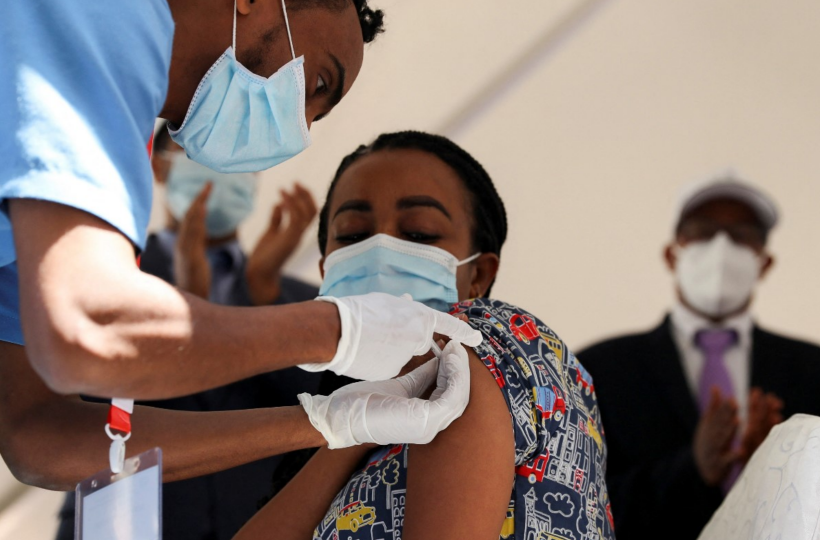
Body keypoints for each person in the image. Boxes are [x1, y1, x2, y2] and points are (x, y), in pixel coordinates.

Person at [0, 0, 482, 490]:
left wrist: (331, 422)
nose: (302, 127)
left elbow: (37, 434)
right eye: (316, 86)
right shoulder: (114, 17)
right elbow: (91, 328)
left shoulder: (97, 162)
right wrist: (336, 330)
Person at [231, 131, 616, 540]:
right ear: (326, 270)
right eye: (352, 234)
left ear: (479, 275)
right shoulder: (347, 412)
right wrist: (342, 432)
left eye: (418, 233)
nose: (380, 247)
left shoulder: (480, 351)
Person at [54, 127, 322, 539]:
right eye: (200, 155)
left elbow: (326, 413)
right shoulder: (104, 279)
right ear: (159, 168)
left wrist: (265, 298)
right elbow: (81, 405)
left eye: (237, 161)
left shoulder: (301, 304)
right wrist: (182, 309)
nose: (220, 172)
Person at [578, 174, 820, 539]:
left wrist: (776, 472)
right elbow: (576, 505)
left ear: (764, 263)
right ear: (672, 254)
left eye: (742, 235)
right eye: (702, 231)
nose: (721, 247)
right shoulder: (598, 369)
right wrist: (693, 467)